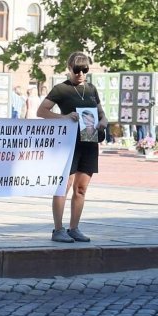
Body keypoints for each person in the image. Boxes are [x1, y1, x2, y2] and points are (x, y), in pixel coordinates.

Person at [37, 51, 108, 243]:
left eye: (84, 70)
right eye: (77, 70)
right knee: (63, 186)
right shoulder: (61, 89)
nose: (80, 74)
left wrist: (103, 121)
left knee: (81, 188)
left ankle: (74, 228)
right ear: (69, 69)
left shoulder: (91, 89)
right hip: (68, 144)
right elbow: (41, 111)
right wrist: (64, 117)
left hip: (89, 142)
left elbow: (102, 114)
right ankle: (58, 229)